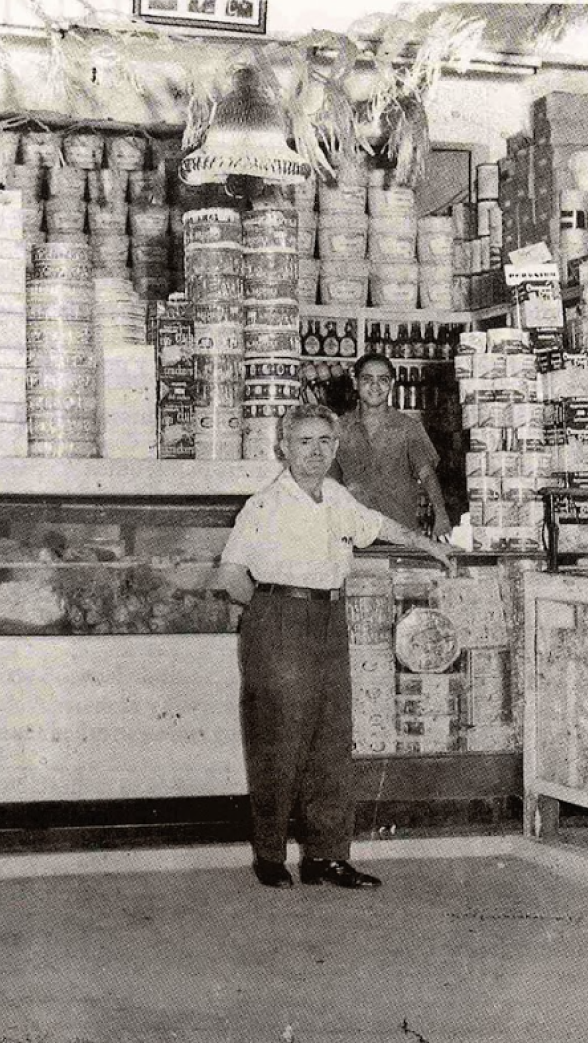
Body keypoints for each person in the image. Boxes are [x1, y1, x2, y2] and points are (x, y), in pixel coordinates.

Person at [216, 403, 451, 890]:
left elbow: (379, 526)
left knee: (330, 739)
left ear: (336, 446)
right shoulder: (264, 504)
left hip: (330, 616)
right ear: (283, 449)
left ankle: (326, 857)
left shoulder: (338, 497)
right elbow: (232, 574)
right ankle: (270, 855)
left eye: (325, 441)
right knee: (278, 740)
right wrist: (267, 614)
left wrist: (427, 544)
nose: (316, 452)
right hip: (280, 616)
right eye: (305, 442)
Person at [332, 352, 452, 536]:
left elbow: (427, 474)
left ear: (392, 384)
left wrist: (441, 515)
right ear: (355, 383)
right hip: (353, 533)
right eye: (367, 379)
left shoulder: (408, 428)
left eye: (383, 379)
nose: (375, 386)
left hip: (401, 534)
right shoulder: (340, 428)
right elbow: (330, 482)